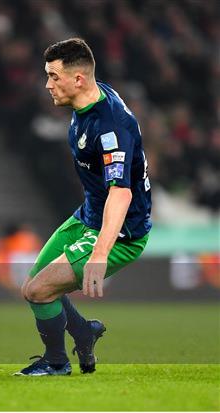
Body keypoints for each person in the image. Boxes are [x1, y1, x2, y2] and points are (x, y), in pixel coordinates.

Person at [16, 39, 151, 376]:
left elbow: (121, 194)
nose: (47, 85)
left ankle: (57, 363)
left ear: (78, 79)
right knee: (33, 287)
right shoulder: (91, 97)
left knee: (39, 290)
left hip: (120, 233)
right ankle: (82, 331)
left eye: (54, 76)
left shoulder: (110, 128)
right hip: (88, 215)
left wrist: (100, 252)